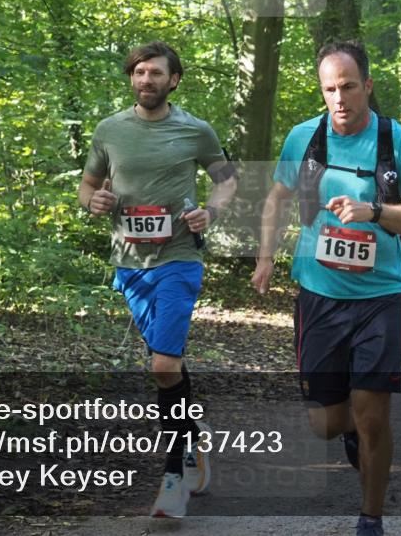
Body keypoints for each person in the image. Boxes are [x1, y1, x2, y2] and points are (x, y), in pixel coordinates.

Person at [250, 41, 401, 536]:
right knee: (325, 424)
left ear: (368, 87)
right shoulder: (304, 138)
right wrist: (266, 257)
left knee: (373, 414)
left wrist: (375, 212)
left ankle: (370, 518)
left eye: (348, 87)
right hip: (318, 294)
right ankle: (351, 430)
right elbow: (276, 198)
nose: (339, 98)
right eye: (330, 89)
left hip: (379, 297)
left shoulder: (398, 142)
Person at [80, 41, 237, 518]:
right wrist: (93, 202)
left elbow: (227, 178)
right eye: (138, 73)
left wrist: (210, 211)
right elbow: (88, 186)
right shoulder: (110, 130)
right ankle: (193, 436)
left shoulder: (195, 130)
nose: (145, 80)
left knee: (163, 366)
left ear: (174, 80)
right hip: (130, 264)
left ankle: (173, 481)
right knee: (165, 363)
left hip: (178, 258)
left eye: (155, 73)